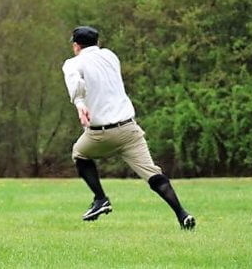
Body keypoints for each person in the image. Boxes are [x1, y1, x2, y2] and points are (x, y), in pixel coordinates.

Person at [62, 26, 195, 229]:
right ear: (98, 43)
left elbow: (75, 82)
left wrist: (80, 103)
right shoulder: (111, 56)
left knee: (79, 154)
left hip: (101, 133)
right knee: (153, 174)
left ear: (75, 45)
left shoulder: (73, 63)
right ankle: (182, 214)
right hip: (130, 130)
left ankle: (100, 199)